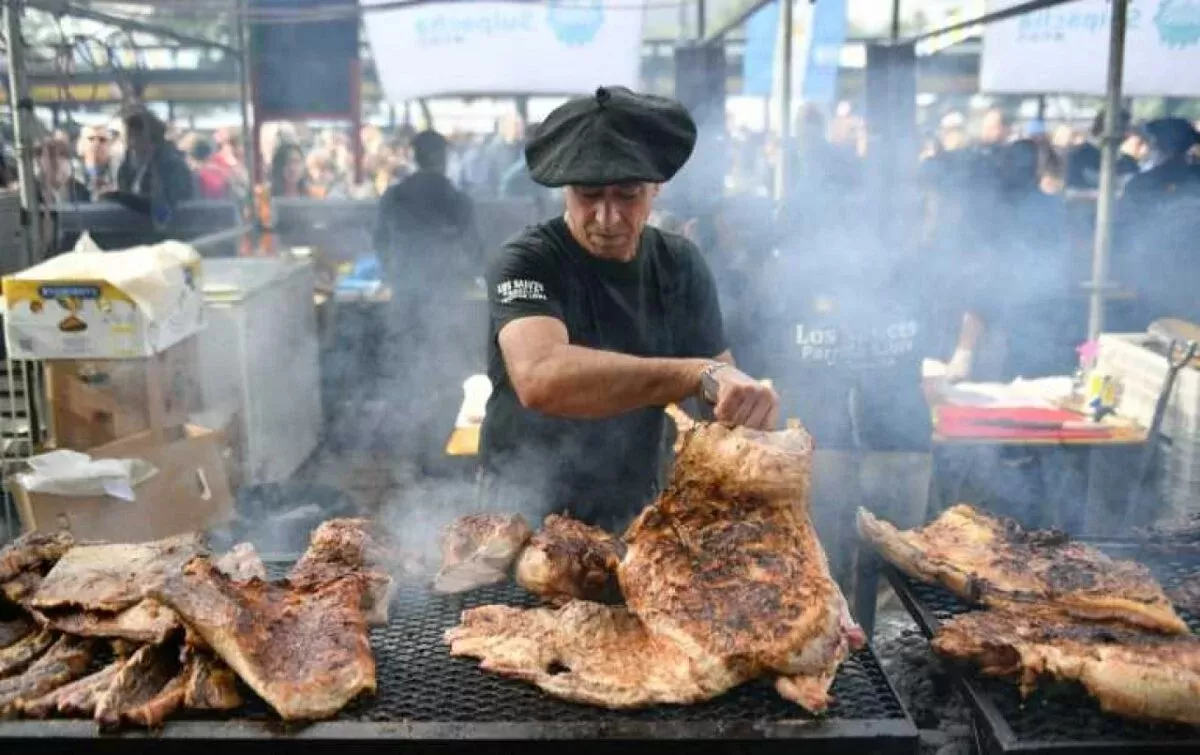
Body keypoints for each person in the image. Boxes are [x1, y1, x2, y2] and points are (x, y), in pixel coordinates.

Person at [477, 87, 778, 530]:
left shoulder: (680, 264)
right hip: (520, 511)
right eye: (589, 195)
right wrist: (697, 375)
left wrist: (744, 411)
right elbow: (541, 378)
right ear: (565, 191)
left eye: (627, 194)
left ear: (655, 189)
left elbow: (717, 400)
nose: (607, 217)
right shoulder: (527, 261)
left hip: (633, 505)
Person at [373, 130, 485, 471]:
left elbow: (380, 244)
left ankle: (409, 459)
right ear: (442, 158)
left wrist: (397, 275)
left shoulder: (394, 197)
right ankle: (436, 454)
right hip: (447, 304)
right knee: (445, 376)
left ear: (415, 156)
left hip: (405, 301)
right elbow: (475, 254)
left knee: (408, 376)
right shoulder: (457, 200)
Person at [112, 106, 195, 225]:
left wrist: (121, 198)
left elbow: (165, 206)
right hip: (132, 229)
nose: (130, 142)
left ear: (151, 136)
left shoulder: (172, 166)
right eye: (129, 135)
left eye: (136, 134)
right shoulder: (127, 166)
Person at [1064, 109, 1138, 191]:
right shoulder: (1079, 156)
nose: (1127, 134)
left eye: (1127, 129)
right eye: (1122, 129)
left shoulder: (1127, 159)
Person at [76, 125, 117, 197]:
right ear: (81, 144)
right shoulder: (72, 174)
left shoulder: (117, 174)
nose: (96, 144)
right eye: (91, 139)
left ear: (110, 146)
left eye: (102, 140)